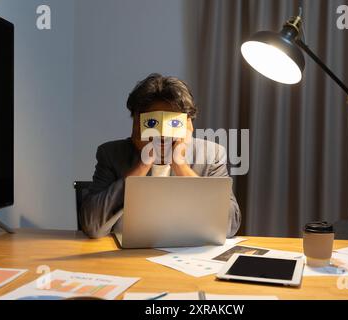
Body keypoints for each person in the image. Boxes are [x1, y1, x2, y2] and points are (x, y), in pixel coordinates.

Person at [80, 73, 241, 239]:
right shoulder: (111, 154)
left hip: (186, 254)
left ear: (188, 123)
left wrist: (181, 166)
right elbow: (92, 226)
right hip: (129, 256)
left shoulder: (211, 155)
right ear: (136, 123)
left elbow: (230, 225)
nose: (162, 135)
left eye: (173, 122)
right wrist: (142, 165)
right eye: (151, 123)